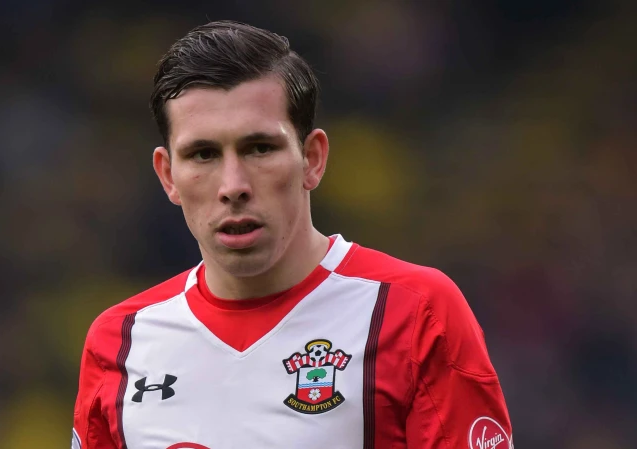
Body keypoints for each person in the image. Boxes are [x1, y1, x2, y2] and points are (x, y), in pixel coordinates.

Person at [72, 21, 512, 449]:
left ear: (312, 159)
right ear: (169, 176)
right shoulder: (119, 341)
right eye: (203, 154)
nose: (233, 186)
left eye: (260, 148)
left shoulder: (415, 312)